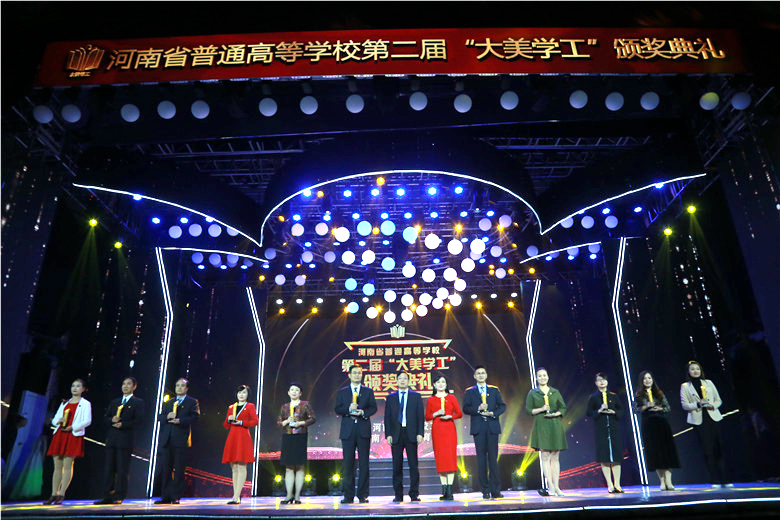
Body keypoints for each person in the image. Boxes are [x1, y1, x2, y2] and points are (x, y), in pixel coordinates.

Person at [94, 377, 145, 505]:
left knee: (122, 469)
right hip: (112, 439)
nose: (125, 386)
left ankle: (119, 495)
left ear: (134, 387)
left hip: (125, 440)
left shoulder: (138, 402)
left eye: (128, 384)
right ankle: (107, 496)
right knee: (109, 469)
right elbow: (105, 418)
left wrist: (123, 424)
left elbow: (139, 421)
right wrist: (111, 420)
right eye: (123, 384)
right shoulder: (115, 401)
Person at [680, 360, 731, 488]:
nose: (695, 371)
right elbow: (685, 405)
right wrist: (698, 404)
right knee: (708, 450)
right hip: (699, 421)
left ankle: (725, 479)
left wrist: (712, 406)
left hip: (713, 417)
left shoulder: (708, 383)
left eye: (697, 369)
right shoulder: (685, 386)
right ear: (688, 371)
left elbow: (718, 400)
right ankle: (714, 480)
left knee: (719, 448)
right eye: (692, 369)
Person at [44, 378, 92, 505]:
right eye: (73, 386)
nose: (74, 388)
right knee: (57, 466)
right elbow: (55, 419)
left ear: (83, 389)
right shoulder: (65, 402)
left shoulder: (85, 404)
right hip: (60, 434)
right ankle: (53, 494)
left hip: (73, 434)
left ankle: (61, 494)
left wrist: (73, 427)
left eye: (78, 386)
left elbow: (87, 420)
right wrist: (58, 421)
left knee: (67, 465)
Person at [334, 365, 377, 504]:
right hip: (348, 432)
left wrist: (363, 412)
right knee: (348, 464)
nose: (357, 375)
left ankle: (363, 495)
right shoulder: (343, 392)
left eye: (359, 373)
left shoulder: (368, 391)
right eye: (354, 373)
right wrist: (348, 409)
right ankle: (348, 495)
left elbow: (373, 408)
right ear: (349, 375)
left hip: (363, 431)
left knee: (364, 464)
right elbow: (337, 409)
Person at [462, 365, 506, 499]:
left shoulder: (494, 390)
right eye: (478, 373)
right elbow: (465, 408)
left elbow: (502, 406)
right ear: (474, 376)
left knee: (493, 459)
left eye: (483, 373)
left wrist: (493, 413)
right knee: (481, 460)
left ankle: (495, 490)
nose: (481, 375)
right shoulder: (470, 391)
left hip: (492, 427)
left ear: (486, 375)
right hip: (478, 428)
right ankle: (485, 490)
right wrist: (478, 409)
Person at [155, 378, 200, 504]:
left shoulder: (192, 402)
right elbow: (159, 417)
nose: (179, 388)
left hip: (181, 440)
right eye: (177, 385)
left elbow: (195, 417)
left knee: (179, 470)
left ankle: (175, 496)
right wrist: (167, 417)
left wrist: (180, 421)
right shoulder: (169, 402)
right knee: (166, 469)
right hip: (167, 440)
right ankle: (165, 496)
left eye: (182, 386)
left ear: (186, 388)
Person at [634, 370, 679, 491]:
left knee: (666, 452)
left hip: (662, 423)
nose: (647, 380)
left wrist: (659, 408)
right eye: (645, 378)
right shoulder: (639, 395)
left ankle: (669, 481)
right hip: (649, 425)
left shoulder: (659, 393)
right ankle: (662, 481)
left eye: (649, 378)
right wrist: (646, 406)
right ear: (641, 381)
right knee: (655, 453)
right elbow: (635, 409)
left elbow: (667, 407)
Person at [525, 367, 567, 497]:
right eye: (540, 376)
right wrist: (542, 409)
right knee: (545, 456)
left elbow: (563, 407)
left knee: (555, 457)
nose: (542, 378)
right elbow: (529, 410)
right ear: (536, 378)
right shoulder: (533, 393)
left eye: (544, 375)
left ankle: (557, 486)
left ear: (548, 377)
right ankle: (550, 487)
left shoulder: (555, 392)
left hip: (555, 425)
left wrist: (556, 414)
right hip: (541, 425)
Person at [384, 371, 425, 502]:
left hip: (411, 433)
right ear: (396, 381)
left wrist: (420, 433)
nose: (402, 381)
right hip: (396, 434)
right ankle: (398, 495)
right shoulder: (391, 397)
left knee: (413, 465)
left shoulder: (416, 396)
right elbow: (387, 418)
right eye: (400, 379)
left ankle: (414, 494)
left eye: (405, 378)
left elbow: (420, 416)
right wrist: (388, 434)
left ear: (409, 381)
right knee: (397, 466)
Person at [276, 382, 316, 504]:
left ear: (300, 393)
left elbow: (312, 418)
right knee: (288, 468)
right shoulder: (284, 407)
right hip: (288, 437)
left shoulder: (305, 405)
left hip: (300, 437)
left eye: (296, 390)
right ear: (288, 392)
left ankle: (297, 496)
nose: (294, 392)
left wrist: (300, 423)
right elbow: (279, 423)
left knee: (299, 467)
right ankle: (289, 495)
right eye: (292, 390)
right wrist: (287, 421)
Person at [425, 373, 462, 501]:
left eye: (443, 382)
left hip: (449, 429)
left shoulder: (451, 397)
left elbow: (459, 413)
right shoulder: (431, 400)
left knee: (450, 458)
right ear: (434, 385)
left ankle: (450, 490)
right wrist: (436, 413)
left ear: (446, 384)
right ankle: (444, 490)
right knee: (440, 459)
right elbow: (427, 417)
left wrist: (450, 416)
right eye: (438, 382)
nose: (441, 384)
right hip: (437, 430)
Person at [586, 372, 624, 493]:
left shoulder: (613, 396)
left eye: (603, 380)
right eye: (599, 380)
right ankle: (610, 484)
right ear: (596, 383)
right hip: (601, 429)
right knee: (604, 457)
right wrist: (599, 410)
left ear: (607, 382)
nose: (602, 382)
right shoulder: (593, 397)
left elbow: (622, 410)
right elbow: (588, 413)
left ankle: (617, 484)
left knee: (616, 457)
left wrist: (614, 412)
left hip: (613, 428)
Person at [222, 384, 259, 504]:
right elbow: (226, 425)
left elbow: (255, 421)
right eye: (239, 393)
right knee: (234, 467)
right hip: (232, 437)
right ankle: (236, 495)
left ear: (248, 394)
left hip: (243, 437)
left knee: (241, 465)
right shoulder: (231, 407)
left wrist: (241, 422)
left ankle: (236, 496)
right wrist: (228, 420)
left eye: (244, 392)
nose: (241, 395)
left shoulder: (250, 406)